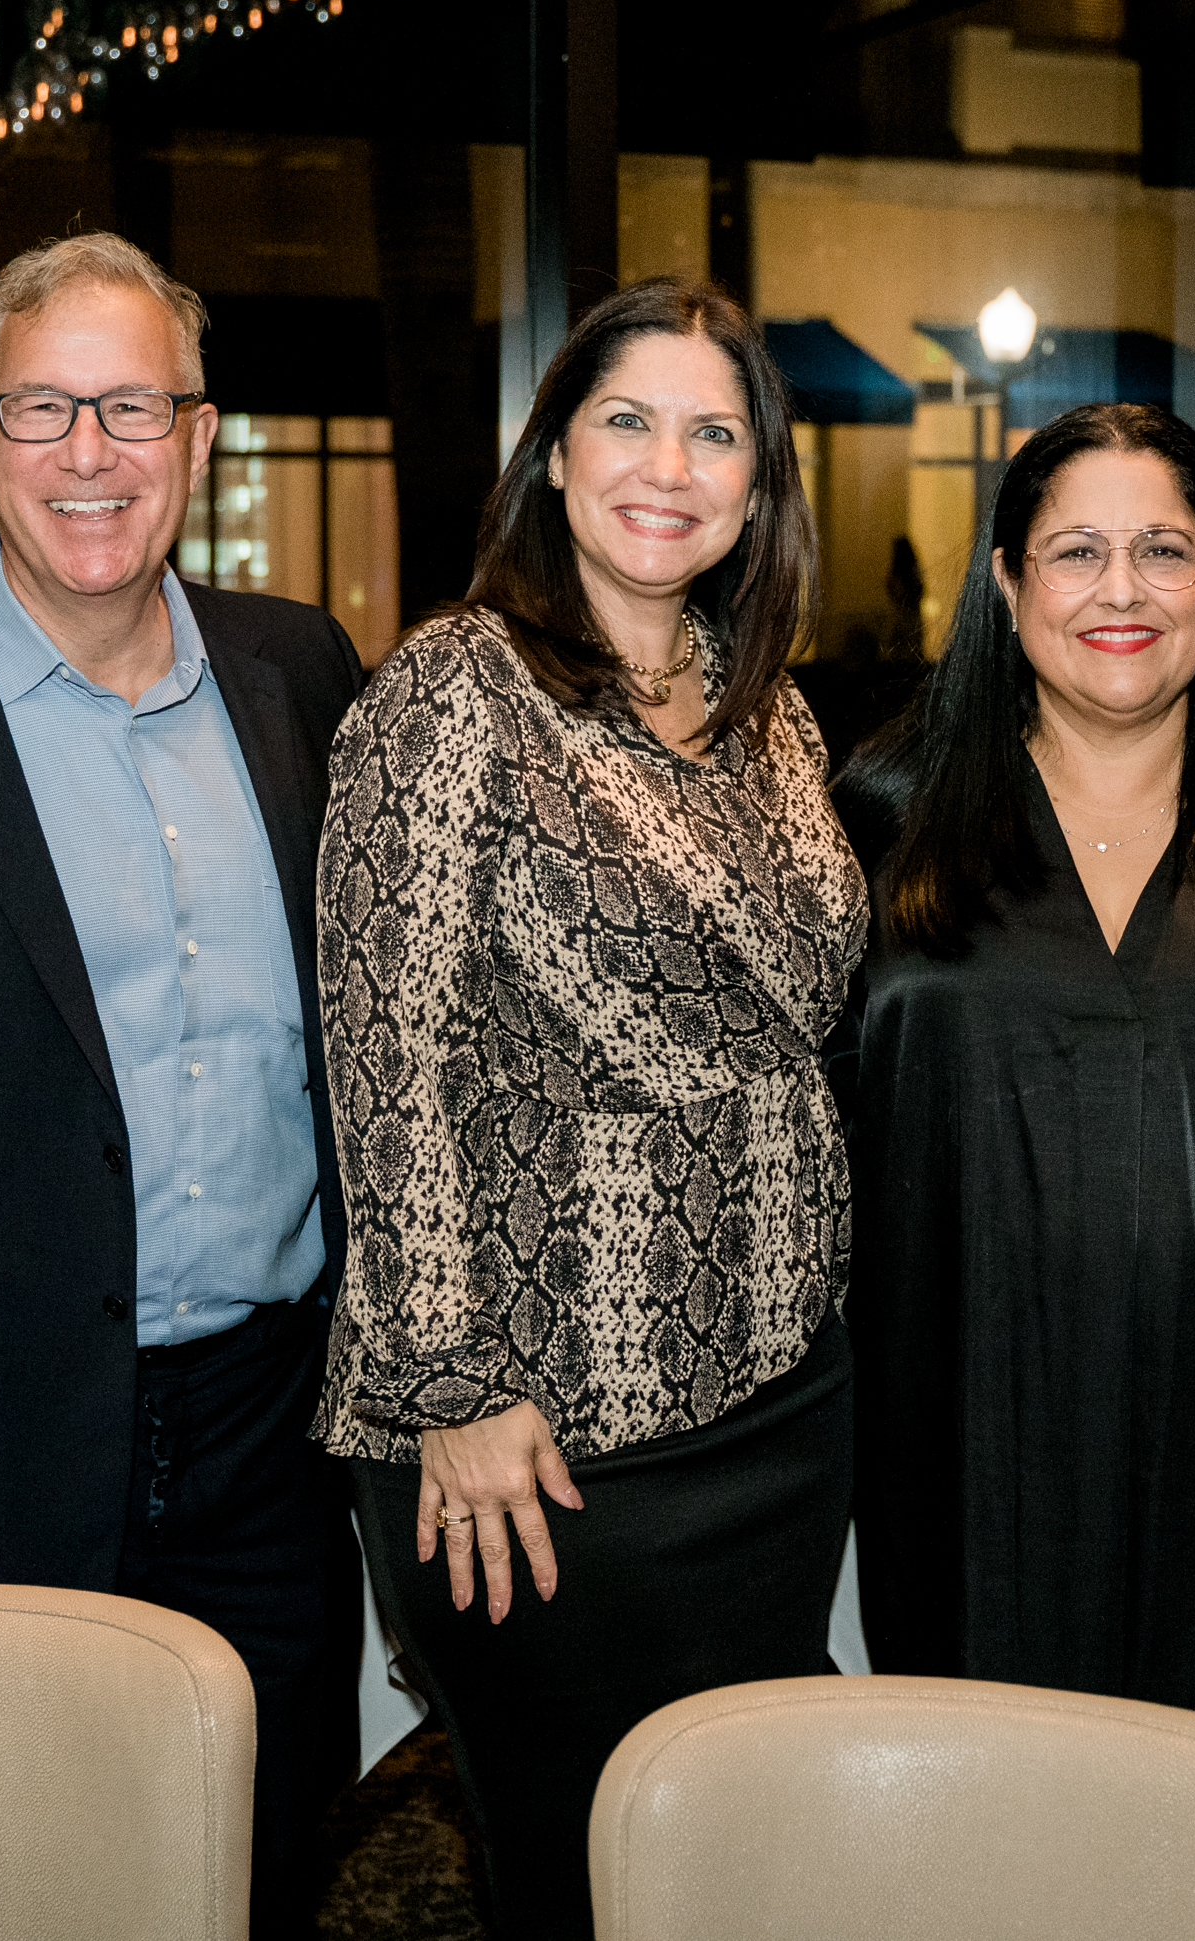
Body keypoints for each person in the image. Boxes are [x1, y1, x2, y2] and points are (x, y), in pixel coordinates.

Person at [0, 235, 364, 1937]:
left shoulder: (300, 675)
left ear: (198, 431)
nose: (88, 452)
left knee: (264, 1850)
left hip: (270, 1427)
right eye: (43, 408)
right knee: (18, 1875)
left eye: (131, 404)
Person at [316, 275, 864, 1941]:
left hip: (774, 1400)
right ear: (551, 451)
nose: (668, 466)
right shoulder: (455, 687)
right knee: (580, 1872)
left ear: (759, 485)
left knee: (729, 1868)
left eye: (714, 433)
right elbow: (381, 1054)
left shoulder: (766, 703)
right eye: (626, 418)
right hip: (540, 1432)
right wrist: (453, 1383)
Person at [835, 403, 1195, 1733]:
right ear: (1008, 581)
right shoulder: (879, 816)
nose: (1122, 590)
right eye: (1076, 550)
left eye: (1164, 550)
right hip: (966, 1460)